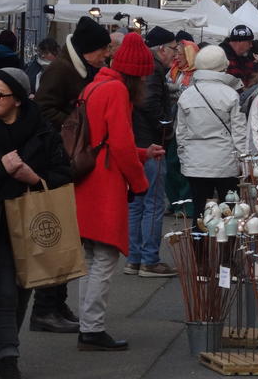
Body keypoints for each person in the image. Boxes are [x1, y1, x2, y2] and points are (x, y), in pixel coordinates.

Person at [0, 68, 72, 379]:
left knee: (23, 286)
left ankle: (2, 357)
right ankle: (9, 357)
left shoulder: (43, 131)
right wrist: (1, 168)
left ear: (19, 100)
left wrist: (35, 179)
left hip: (32, 223)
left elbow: (64, 175)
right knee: (3, 291)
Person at [75, 33, 164, 351]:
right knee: (104, 257)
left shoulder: (95, 85)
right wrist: (140, 182)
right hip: (105, 182)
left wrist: (143, 152)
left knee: (90, 257)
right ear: (136, 74)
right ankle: (93, 328)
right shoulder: (116, 91)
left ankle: (87, 324)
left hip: (87, 178)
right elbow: (121, 145)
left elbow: (104, 141)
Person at [33, 16, 111, 332]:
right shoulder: (62, 70)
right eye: (103, 49)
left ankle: (55, 303)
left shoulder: (73, 68)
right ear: (87, 50)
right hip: (56, 163)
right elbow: (42, 109)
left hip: (64, 162)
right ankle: (44, 307)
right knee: (60, 239)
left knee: (67, 238)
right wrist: (76, 124)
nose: (105, 54)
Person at [124, 26, 178, 278]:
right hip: (150, 145)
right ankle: (149, 260)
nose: (177, 54)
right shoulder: (153, 70)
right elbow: (149, 104)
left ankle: (134, 259)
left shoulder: (146, 69)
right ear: (161, 49)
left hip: (138, 143)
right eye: (174, 49)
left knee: (137, 203)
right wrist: (166, 126)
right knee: (152, 204)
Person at [176, 46, 248, 219]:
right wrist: (244, 163)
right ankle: (226, 246)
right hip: (225, 163)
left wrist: (185, 159)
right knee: (228, 214)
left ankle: (199, 245)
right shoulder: (231, 94)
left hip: (195, 163)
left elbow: (181, 134)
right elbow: (239, 135)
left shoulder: (187, 95)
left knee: (200, 212)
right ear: (223, 65)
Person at [165, 40, 199, 216]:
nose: (176, 55)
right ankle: (175, 201)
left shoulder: (197, 74)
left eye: (179, 52)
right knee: (170, 166)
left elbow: (185, 94)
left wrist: (172, 89)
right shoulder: (173, 71)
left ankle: (185, 205)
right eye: (176, 52)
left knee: (183, 165)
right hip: (172, 125)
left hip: (188, 127)